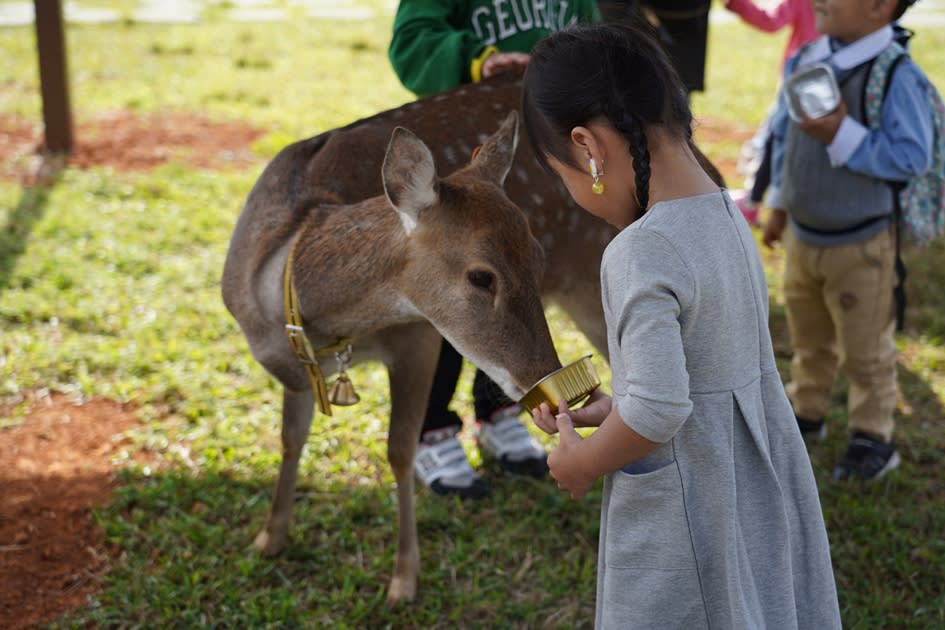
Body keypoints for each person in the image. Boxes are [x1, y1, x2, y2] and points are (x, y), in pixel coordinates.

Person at [523, 21, 842, 628]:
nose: (572, 195)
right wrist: (617, 409)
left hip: (690, 514)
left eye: (562, 177)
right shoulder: (725, 212)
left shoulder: (640, 249)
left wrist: (584, 464)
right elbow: (696, 377)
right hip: (754, 487)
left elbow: (659, 413)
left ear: (588, 149)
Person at [387, 0, 601, 498]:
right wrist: (476, 61)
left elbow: (592, 40)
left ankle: (499, 410)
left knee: (515, 287)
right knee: (458, 290)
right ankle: (432, 428)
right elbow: (411, 40)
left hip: (534, 155)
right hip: (458, 159)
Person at [762, 0, 933, 481]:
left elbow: (912, 156)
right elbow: (784, 136)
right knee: (808, 336)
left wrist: (841, 132)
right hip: (803, 234)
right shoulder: (808, 58)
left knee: (866, 348)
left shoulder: (893, 75)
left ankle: (872, 436)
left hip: (861, 244)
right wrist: (778, 204)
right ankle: (807, 410)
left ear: (879, 7)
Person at [724, 0, 818, 226]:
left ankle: (753, 203)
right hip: (817, 83)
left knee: (773, 140)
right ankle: (759, 201)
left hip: (800, 81)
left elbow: (772, 21)